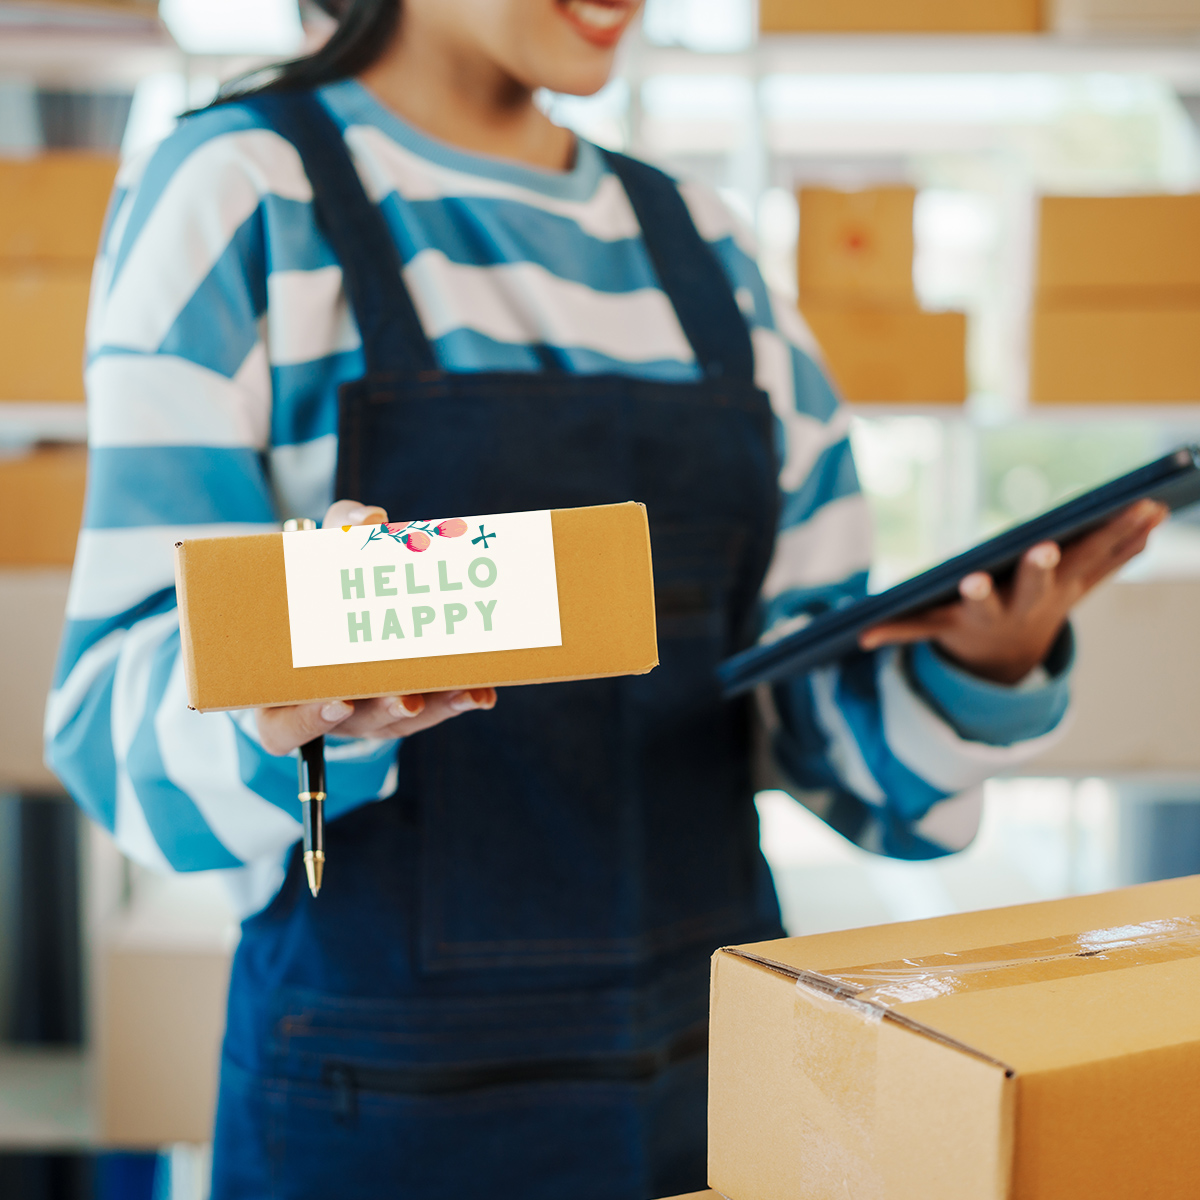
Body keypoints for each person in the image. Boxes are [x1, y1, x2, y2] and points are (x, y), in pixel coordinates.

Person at [46, 1, 1165, 1196]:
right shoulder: (239, 194)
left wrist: (980, 666)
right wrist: (288, 700)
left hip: (720, 1081)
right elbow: (112, 717)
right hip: (380, 1105)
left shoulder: (710, 248)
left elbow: (809, 726)